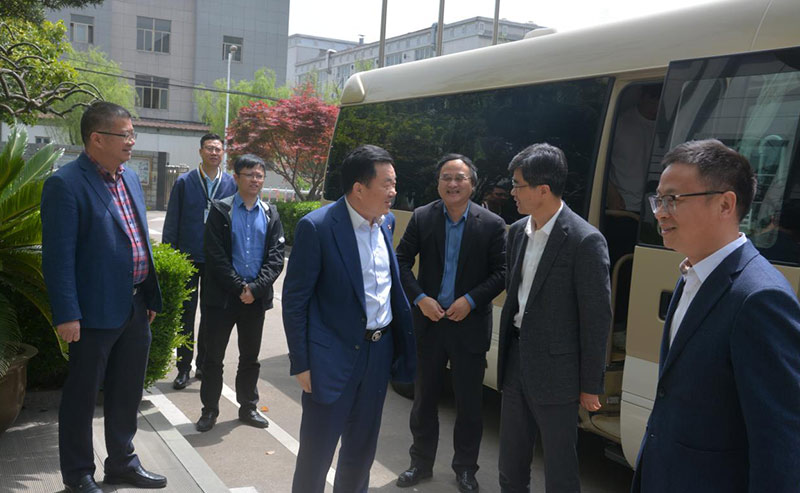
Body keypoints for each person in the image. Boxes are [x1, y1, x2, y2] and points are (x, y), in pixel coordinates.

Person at [631, 139, 800, 493]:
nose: (660, 213)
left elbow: (780, 441)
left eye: (673, 199)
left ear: (725, 204)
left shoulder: (759, 297)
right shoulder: (692, 273)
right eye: (658, 200)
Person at [41, 102, 165, 492]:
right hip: (92, 312)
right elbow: (58, 258)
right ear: (97, 138)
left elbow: (137, 239)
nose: (132, 141)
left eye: (132, 134)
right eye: (124, 134)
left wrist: (149, 295)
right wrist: (67, 314)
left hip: (134, 306)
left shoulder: (129, 179)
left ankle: (122, 463)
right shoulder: (66, 184)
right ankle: (78, 473)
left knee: (127, 392)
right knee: (81, 396)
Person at [282, 145, 416, 493]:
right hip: (331, 357)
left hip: (378, 353)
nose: (394, 191)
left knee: (361, 452)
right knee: (316, 455)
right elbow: (295, 301)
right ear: (359, 188)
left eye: (394, 183)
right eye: (387, 183)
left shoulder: (385, 224)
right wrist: (301, 362)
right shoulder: (318, 227)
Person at [497, 143, 611, 493]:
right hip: (516, 360)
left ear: (543, 190)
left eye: (518, 185)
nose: (512, 192)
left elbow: (596, 318)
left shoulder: (584, 240)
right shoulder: (518, 232)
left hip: (558, 372)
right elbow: (516, 296)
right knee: (510, 463)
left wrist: (590, 384)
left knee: (560, 469)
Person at [395, 154, 506, 492]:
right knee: (424, 400)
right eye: (446, 177)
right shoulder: (423, 217)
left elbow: (503, 272)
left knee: (469, 405)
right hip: (429, 322)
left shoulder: (492, 224)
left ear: (473, 183)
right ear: (438, 183)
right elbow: (401, 260)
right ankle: (420, 463)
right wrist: (420, 298)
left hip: (469, 325)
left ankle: (466, 469)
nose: (452, 184)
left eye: (460, 178)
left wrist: (470, 300)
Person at [195, 154, 285, 432]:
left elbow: (276, 257)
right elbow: (215, 256)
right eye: (249, 175)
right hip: (222, 298)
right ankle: (209, 410)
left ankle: (248, 407)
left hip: (254, 301)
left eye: (259, 175)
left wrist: (255, 289)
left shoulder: (270, 213)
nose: (255, 180)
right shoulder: (220, 210)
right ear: (236, 178)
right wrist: (238, 287)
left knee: (250, 358)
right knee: (213, 359)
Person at [162, 133, 237, 390]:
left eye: (218, 149)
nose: (214, 152)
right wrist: (171, 255)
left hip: (217, 260)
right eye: (209, 148)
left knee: (211, 313)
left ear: (223, 153)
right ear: (200, 151)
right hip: (188, 256)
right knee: (186, 314)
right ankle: (183, 368)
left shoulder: (231, 184)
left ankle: (203, 363)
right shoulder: (185, 182)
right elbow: (172, 220)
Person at [607, 84, 661, 212]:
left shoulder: (665, 127)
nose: (654, 108)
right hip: (621, 204)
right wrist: (611, 193)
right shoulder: (619, 123)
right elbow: (600, 162)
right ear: (641, 97)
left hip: (652, 205)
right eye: (651, 101)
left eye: (658, 103)